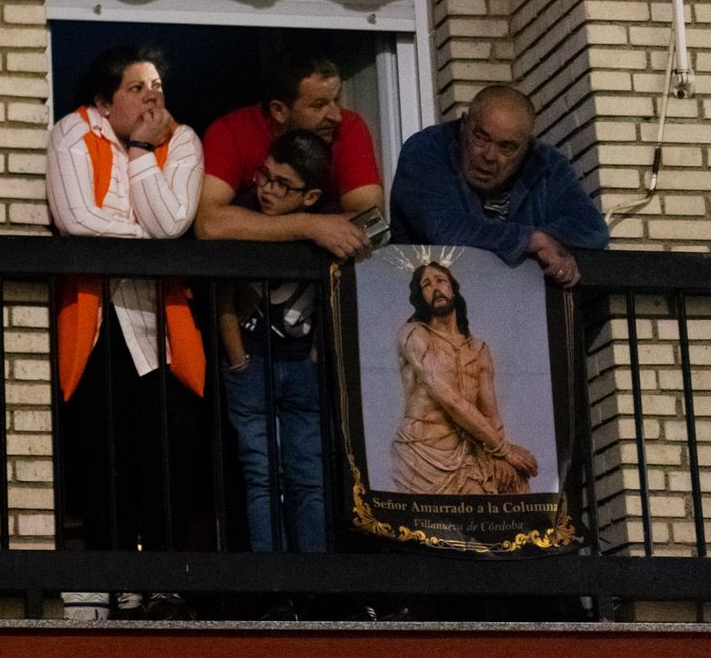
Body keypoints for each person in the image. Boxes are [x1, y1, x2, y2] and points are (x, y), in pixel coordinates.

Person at [44, 44, 204, 622]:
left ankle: (162, 583)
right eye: (138, 87)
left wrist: (139, 150)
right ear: (102, 100)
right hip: (94, 321)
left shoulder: (181, 140)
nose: (153, 95)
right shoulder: (72, 132)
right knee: (99, 453)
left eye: (157, 85)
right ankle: (115, 583)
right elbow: (77, 221)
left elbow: (172, 221)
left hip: (157, 327)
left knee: (163, 454)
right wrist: (151, 243)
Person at [216, 131, 332, 616]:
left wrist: (315, 357)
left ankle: (317, 585)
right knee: (261, 474)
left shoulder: (321, 231)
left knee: (307, 474)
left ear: (310, 197)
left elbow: (333, 295)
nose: (265, 188)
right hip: (253, 364)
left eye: (281, 184)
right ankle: (272, 585)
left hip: (299, 365)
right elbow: (222, 296)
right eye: (264, 174)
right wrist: (238, 358)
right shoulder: (239, 216)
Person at [389, 84, 608, 287]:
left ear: (526, 148)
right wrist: (531, 241)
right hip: (422, 303)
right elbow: (446, 228)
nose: (489, 156)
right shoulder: (426, 149)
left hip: (522, 308)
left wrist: (546, 244)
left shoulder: (546, 163)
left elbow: (592, 230)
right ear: (464, 125)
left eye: (506, 147)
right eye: (481, 138)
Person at [196, 50, 380, 258]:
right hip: (246, 271)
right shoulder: (232, 131)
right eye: (319, 105)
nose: (336, 116)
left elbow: (370, 222)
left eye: (336, 100)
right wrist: (309, 226)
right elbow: (208, 224)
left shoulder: (348, 127)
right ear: (279, 111)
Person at [393, 261, 538, 495]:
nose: (435, 288)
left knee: (516, 483)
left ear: (453, 288)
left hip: (468, 448)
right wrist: (502, 450)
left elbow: (490, 411)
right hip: (424, 452)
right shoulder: (414, 335)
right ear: (421, 296)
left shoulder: (478, 349)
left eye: (440, 281)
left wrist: (499, 457)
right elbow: (450, 400)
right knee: (476, 500)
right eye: (426, 285)